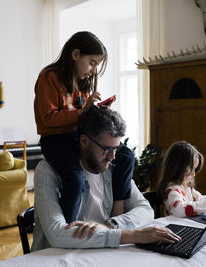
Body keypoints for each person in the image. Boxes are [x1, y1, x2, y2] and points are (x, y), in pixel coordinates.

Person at [32, 106, 181, 250]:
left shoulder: (114, 168)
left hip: (100, 254)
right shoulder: (47, 171)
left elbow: (145, 210)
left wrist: (109, 226)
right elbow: (57, 234)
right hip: (54, 258)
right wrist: (133, 235)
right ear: (84, 141)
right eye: (107, 149)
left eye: (116, 148)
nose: (113, 156)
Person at [34, 31, 134, 223]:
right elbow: (48, 119)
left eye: (96, 65)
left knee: (126, 156)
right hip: (55, 140)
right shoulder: (49, 77)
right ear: (76, 54)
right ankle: (68, 229)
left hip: (78, 136)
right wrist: (83, 111)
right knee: (74, 178)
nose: (93, 70)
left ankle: (117, 214)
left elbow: (82, 118)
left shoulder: (82, 82)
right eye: (92, 63)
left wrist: (96, 112)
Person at [157, 141, 206, 217]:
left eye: (195, 169)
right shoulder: (171, 190)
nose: (193, 174)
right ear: (178, 167)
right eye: (191, 169)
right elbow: (180, 209)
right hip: (175, 227)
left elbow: (200, 199)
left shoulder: (186, 187)